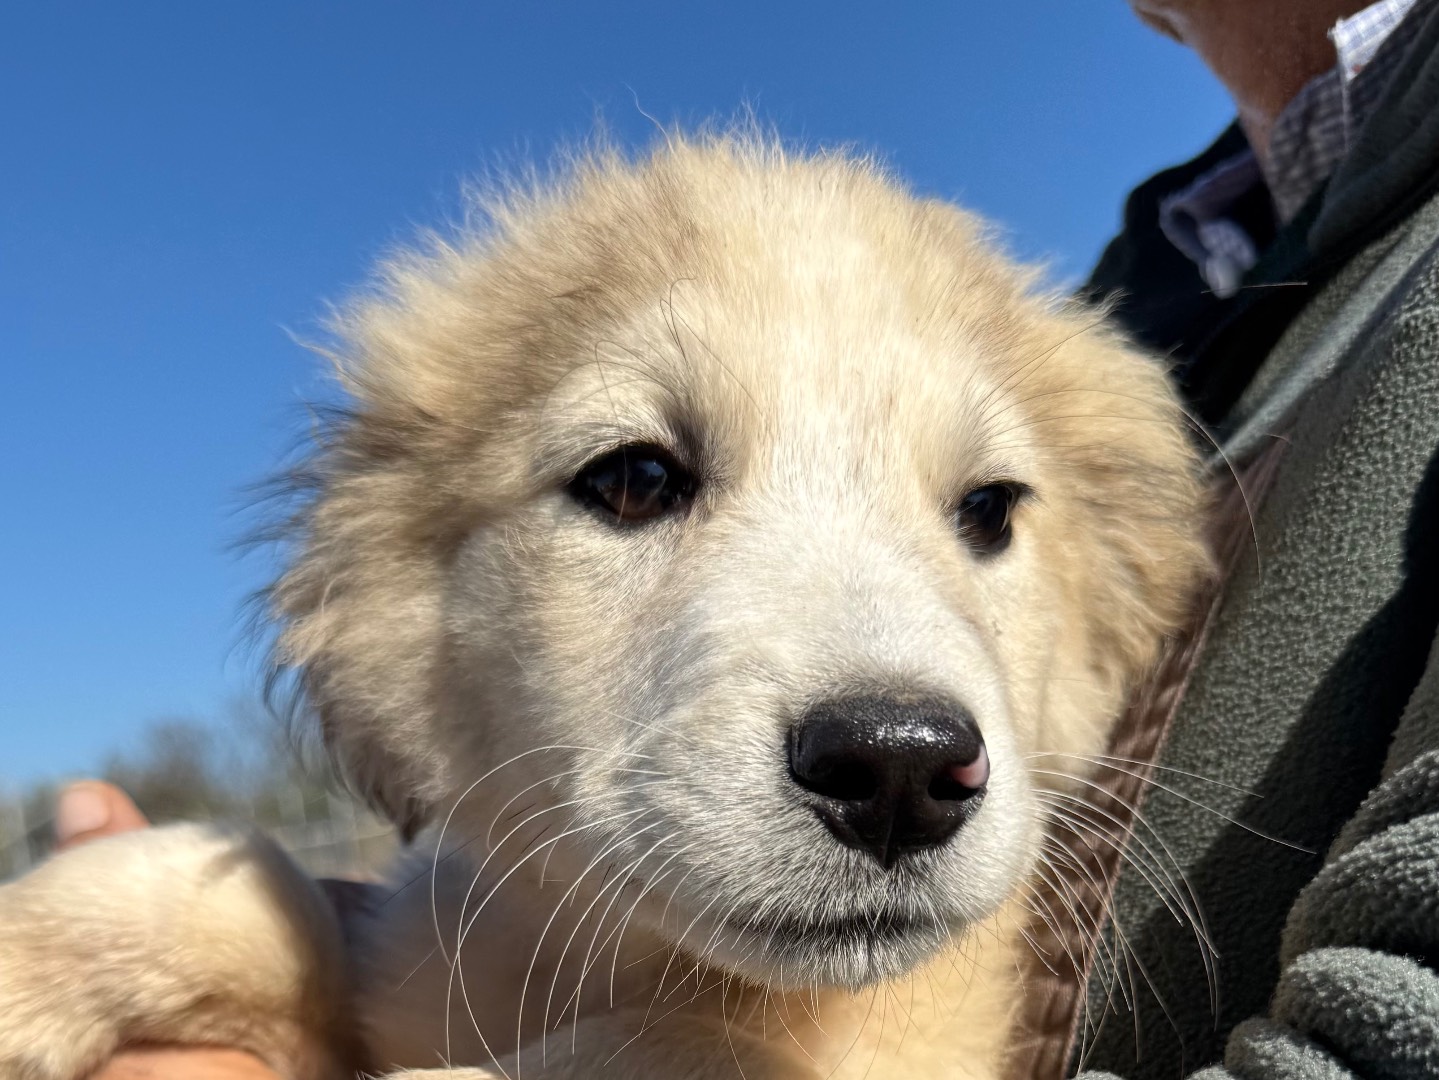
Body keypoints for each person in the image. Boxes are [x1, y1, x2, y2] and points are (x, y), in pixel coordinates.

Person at [61, 1, 1439, 1076]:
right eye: (635, 481)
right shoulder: (1174, 281)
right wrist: (253, 949)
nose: (902, 722)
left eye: (981, 511)